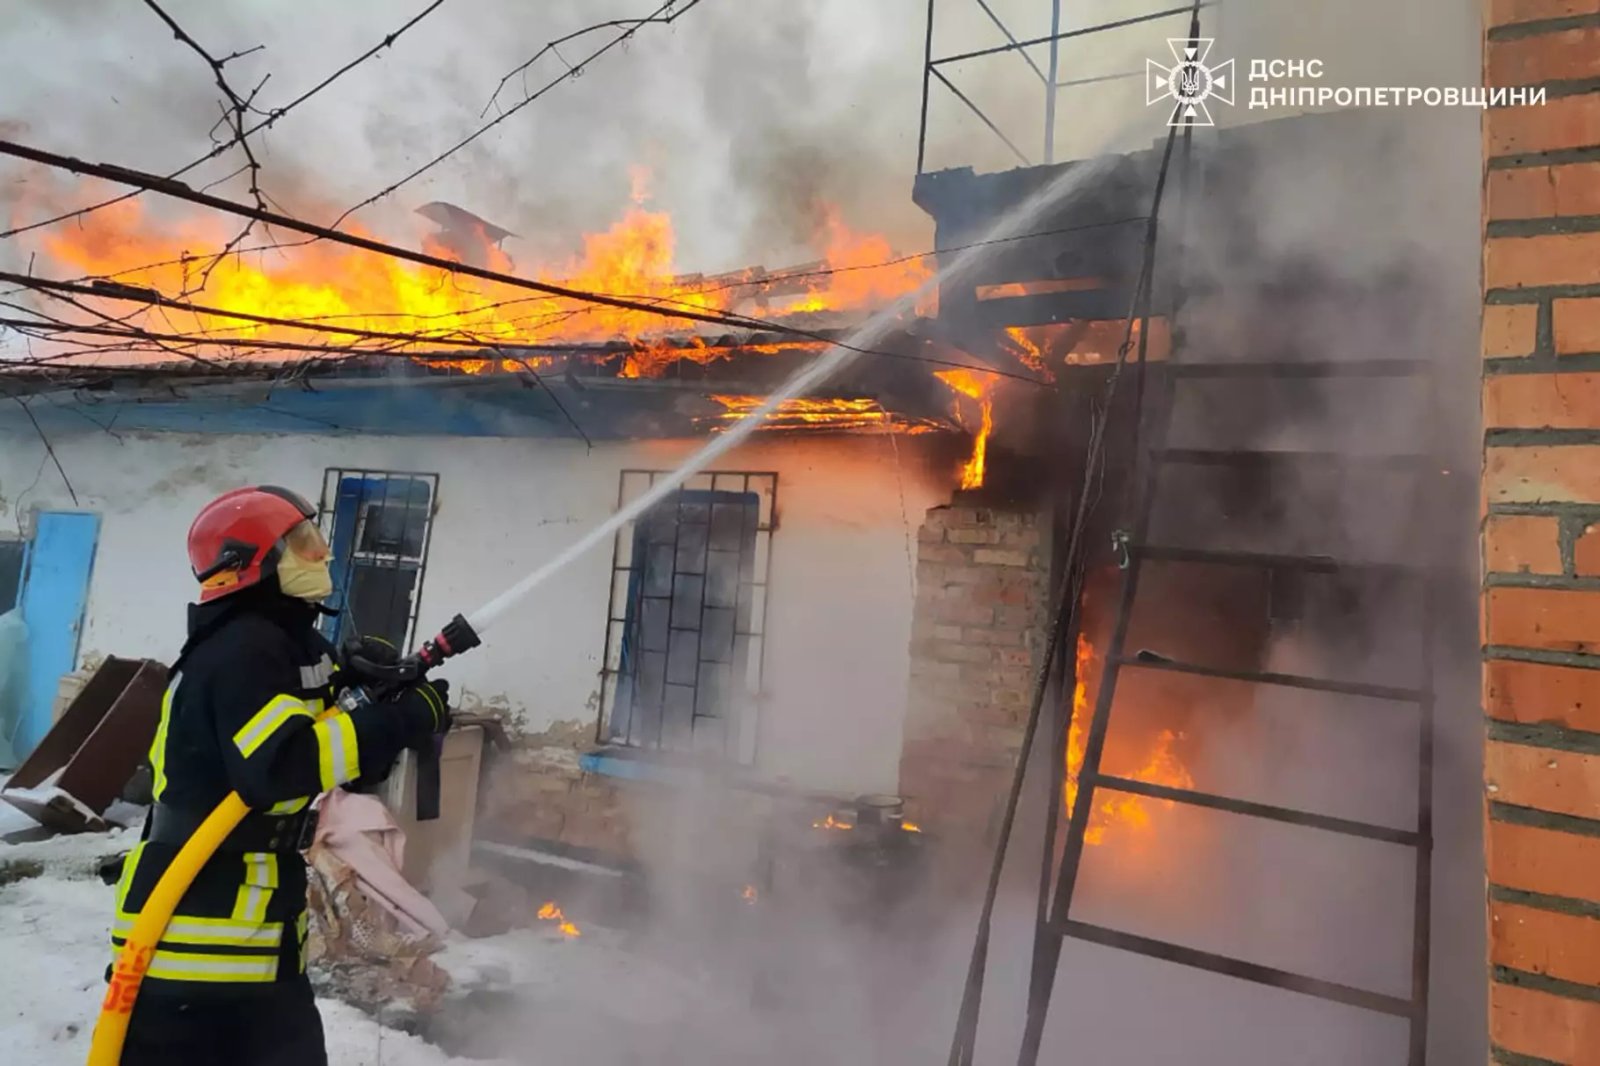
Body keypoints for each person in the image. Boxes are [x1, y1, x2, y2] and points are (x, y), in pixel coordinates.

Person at [108, 485, 451, 1066]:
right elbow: (280, 767)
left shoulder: (283, 642)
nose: (324, 554)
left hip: (255, 941)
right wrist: (399, 719)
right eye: (303, 543)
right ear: (250, 564)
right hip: (194, 947)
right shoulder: (241, 651)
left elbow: (332, 753)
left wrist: (358, 685)